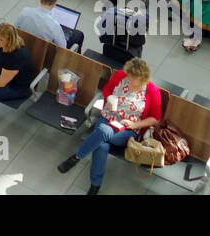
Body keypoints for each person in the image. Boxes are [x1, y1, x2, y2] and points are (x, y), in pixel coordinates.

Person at [57, 57, 161, 194]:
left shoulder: (152, 91)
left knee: (103, 132)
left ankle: (76, 157)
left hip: (128, 129)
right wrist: (111, 101)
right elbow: (107, 90)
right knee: (102, 144)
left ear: (143, 79)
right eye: (128, 78)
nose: (129, 83)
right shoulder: (120, 75)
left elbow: (155, 118)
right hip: (108, 118)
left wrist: (135, 124)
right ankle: (95, 185)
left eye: (133, 82)